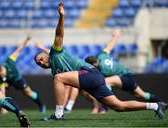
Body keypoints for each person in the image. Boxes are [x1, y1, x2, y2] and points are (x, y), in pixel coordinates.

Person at [34, 2, 167, 121]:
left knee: (58, 78)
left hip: (89, 73)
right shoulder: (53, 71)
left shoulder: (55, 52)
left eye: (40, 59)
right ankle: (155, 105)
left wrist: (62, 16)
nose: (40, 62)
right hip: (93, 79)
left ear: (46, 55)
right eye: (38, 63)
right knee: (118, 106)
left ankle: (58, 115)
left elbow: (59, 34)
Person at [64, 29, 163, 114]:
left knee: (105, 83)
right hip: (128, 75)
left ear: (92, 65)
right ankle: (160, 104)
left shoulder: (99, 69)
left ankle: (104, 107)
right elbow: (110, 45)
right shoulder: (101, 55)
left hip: (123, 77)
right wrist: (116, 35)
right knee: (142, 95)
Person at [0, 35, 46, 114]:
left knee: (28, 93)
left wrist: (26, 40)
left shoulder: (9, 62)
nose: (2, 76)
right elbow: (3, 91)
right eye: (1, 76)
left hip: (17, 79)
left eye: (2, 74)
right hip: (8, 81)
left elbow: (18, 50)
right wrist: (4, 108)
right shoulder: (0, 76)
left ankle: (41, 105)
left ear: (2, 69)